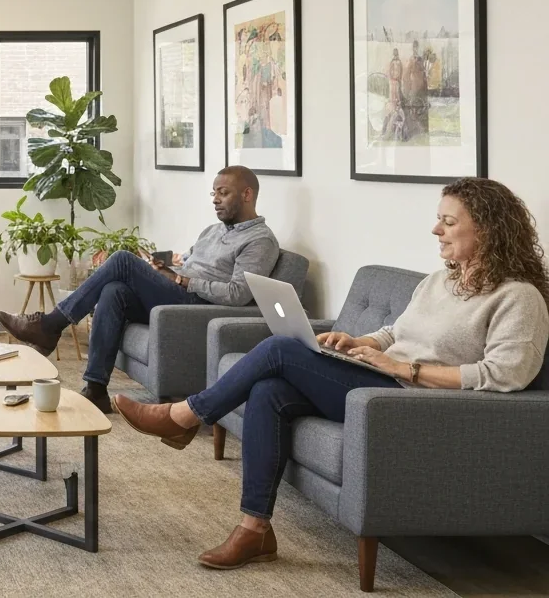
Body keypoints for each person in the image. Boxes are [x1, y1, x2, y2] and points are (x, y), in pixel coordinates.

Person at [112, 177, 549, 571]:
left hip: (412, 403)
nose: (436, 230)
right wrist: (363, 343)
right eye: (439, 220)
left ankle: (186, 416)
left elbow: (507, 374)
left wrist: (407, 368)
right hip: (380, 381)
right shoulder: (439, 281)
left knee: (281, 349)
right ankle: (255, 529)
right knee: (269, 389)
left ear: (488, 229)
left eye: (448, 222)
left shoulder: (518, 297)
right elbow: (396, 330)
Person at [0, 166, 279, 413]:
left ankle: (51, 325)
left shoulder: (260, 241)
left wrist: (181, 281)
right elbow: (189, 260)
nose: (216, 200)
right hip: (177, 293)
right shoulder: (214, 230)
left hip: (197, 304)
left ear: (247, 194)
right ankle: (95, 389)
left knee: (121, 259)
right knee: (114, 291)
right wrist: (164, 264)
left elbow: (237, 294)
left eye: (224, 193)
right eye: (213, 193)